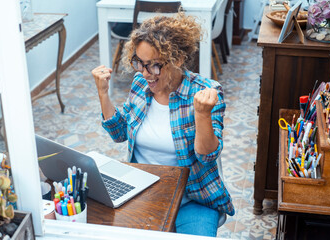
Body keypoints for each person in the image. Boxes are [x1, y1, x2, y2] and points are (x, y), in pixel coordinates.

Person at [91, 11, 234, 237]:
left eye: (154, 66)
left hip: (194, 198)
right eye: (139, 63)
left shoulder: (206, 91)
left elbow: (207, 156)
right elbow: (119, 133)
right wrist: (103, 94)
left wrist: (202, 115)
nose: (146, 74)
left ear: (176, 59)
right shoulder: (140, 83)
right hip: (142, 190)